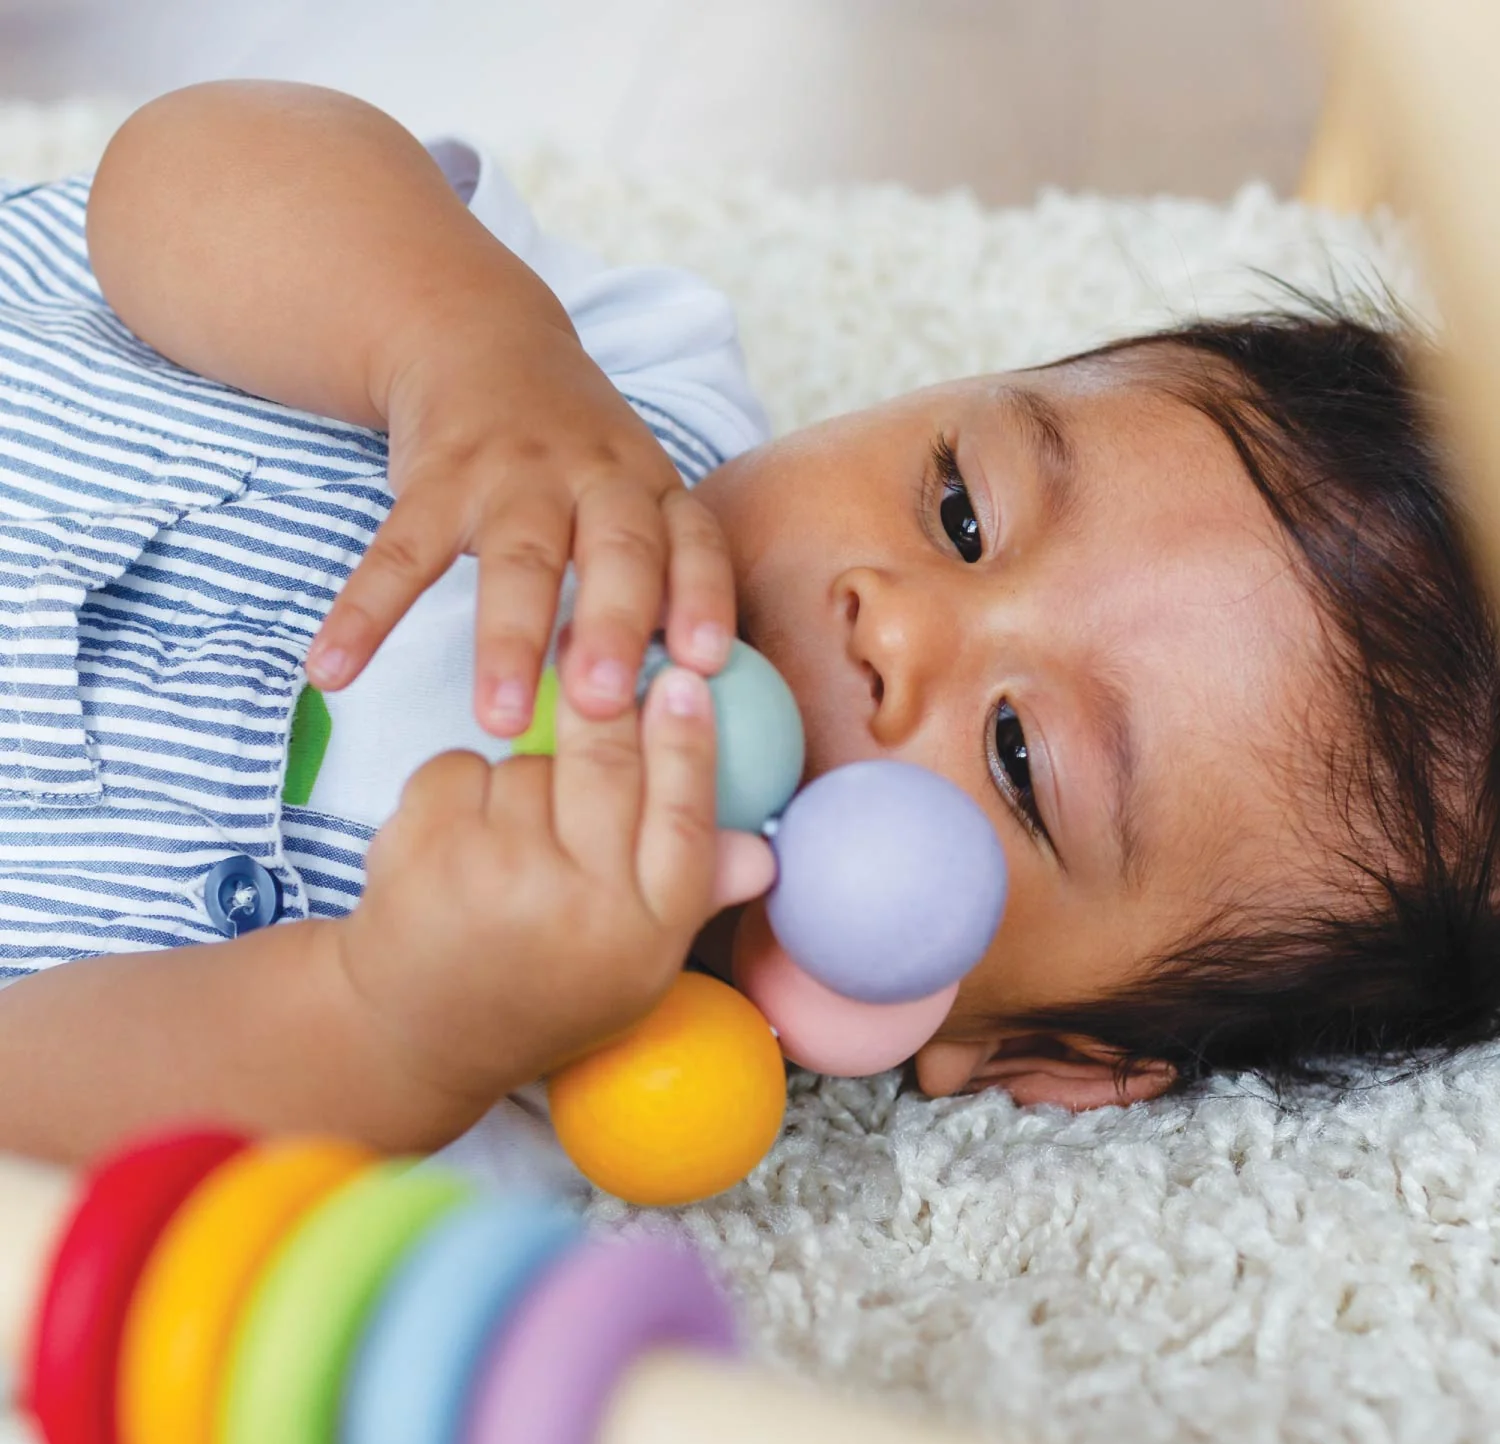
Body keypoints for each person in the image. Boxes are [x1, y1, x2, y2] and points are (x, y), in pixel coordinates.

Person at [0, 82, 1494, 1171]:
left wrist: (387, 1022)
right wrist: (455, 347)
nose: (896, 625)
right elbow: (177, 170)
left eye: (1022, 753)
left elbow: (33, 1122)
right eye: (961, 508)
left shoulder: (520, 1093)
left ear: (1039, 1052)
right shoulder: (619, 380)